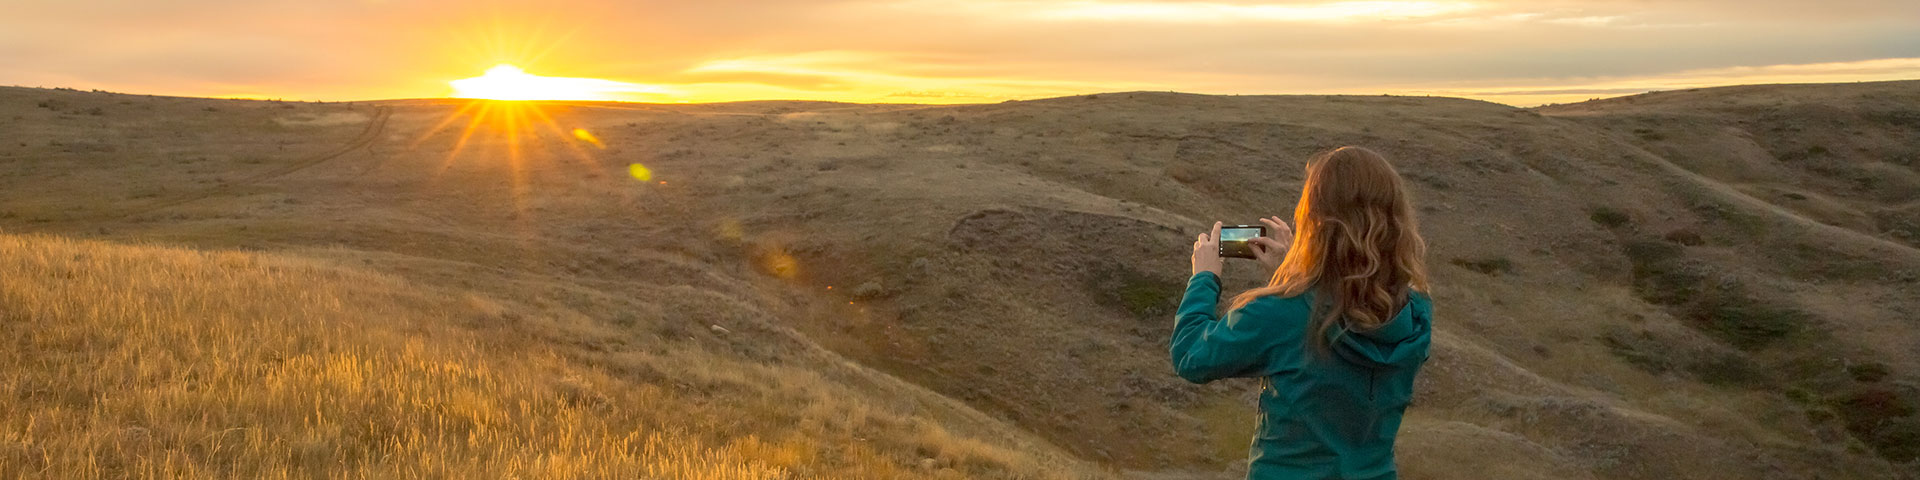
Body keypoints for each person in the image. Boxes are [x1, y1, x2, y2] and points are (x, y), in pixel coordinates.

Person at [1170, 145, 1433, 480]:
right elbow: (1340, 311)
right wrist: (1294, 276)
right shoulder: (1415, 314)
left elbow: (1192, 356)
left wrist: (1204, 278)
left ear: (1315, 221)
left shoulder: (1282, 314)